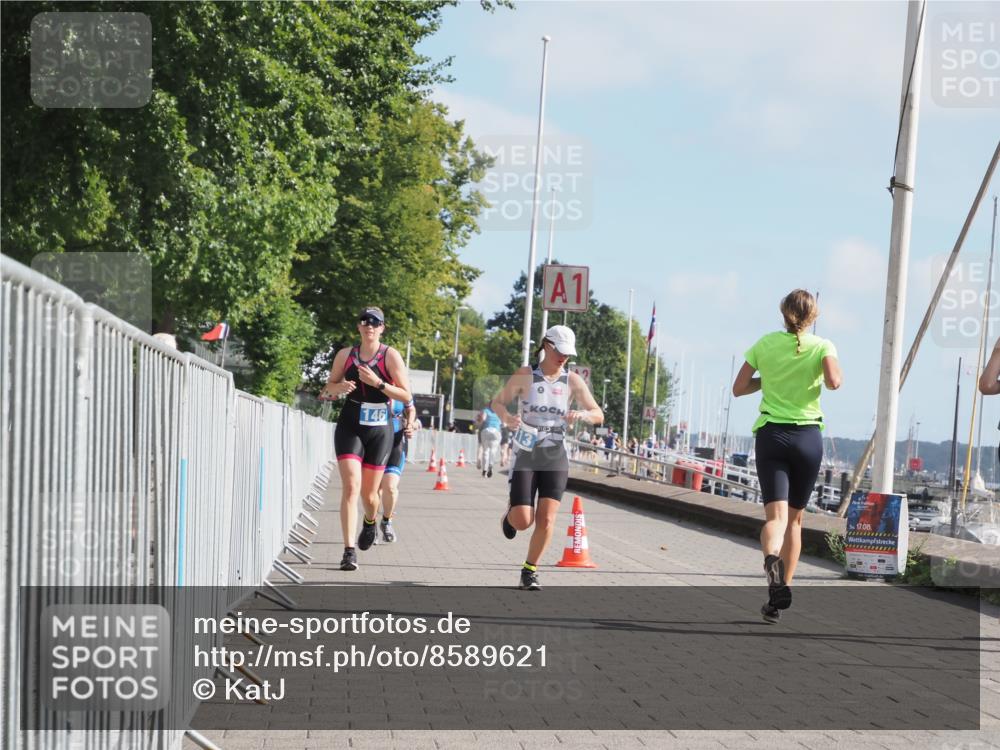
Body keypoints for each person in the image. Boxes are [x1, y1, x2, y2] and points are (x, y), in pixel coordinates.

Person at [732, 289, 841, 623]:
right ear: (814, 317)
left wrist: (771, 380)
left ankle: (770, 559)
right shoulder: (823, 345)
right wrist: (815, 374)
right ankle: (779, 598)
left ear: (783, 313)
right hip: (807, 437)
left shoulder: (764, 344)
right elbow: (835, 381)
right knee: (796, 520)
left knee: (776, 519)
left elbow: (739, 388)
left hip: (771, 435)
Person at [491, 325, 603, 590]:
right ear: (547, 346)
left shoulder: (572, 380)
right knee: (523, 521)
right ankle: (509, 516)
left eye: (568, 354)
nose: (564, 357)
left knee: (548, 518)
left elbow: (598, 413)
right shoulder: (526, 375)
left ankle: (530, 570)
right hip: (527, 450)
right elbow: (497, 402)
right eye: (560, 351)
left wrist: (583, 416)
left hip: (555, 453)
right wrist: (508, 418)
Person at [320, 307, 412, 571]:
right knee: (350, 487)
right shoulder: (345, 355)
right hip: (350, 422)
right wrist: (338, 388)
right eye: (364, 321)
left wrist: (378, 384)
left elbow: (406, 396)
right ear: (358, 327)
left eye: (375, 322)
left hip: (380, 428)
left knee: (370, 495)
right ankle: (349, 551)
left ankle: (371, 520)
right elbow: (328, 388)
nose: (369, 325)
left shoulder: (390, 356)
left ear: (382, 327)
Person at [377, 398, 418, 543]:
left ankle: (386, 521)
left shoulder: (402, 386)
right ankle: (370, 524)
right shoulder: (373, 381)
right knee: (376, 488)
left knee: (390, 487)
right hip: (375, 441)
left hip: (396, 441)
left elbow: (411, 410)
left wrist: (411, 424)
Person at [476, 405, 503, 478]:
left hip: (486, 430)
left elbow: (483, 419)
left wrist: (479, 422)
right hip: (496, 431)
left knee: (485, 451)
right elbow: (503, 424)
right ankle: (490, 466)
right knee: (493, 451)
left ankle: (484, 470)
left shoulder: (486, 410)